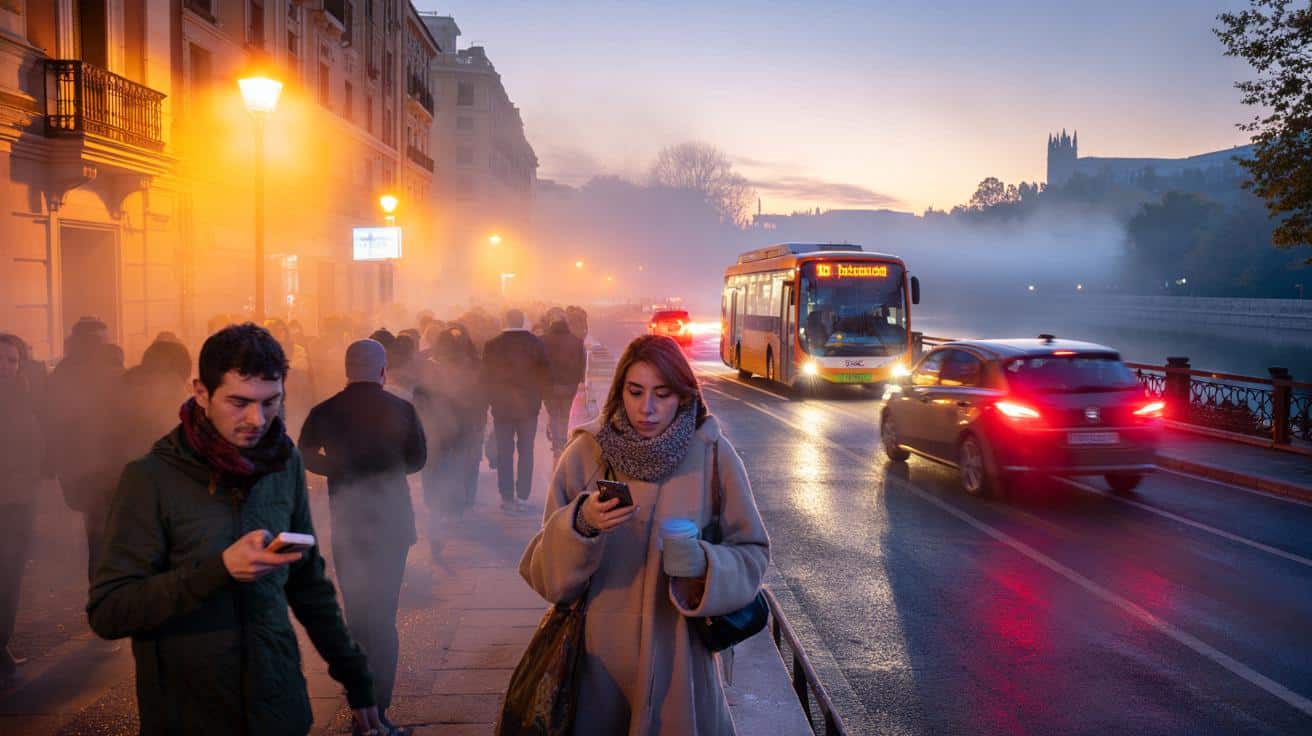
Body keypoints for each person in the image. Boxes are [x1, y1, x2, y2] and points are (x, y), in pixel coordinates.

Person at [87, 324, 388, 736]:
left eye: (271, 402)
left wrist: (356, 677)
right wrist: (219, 570)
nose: (256, 420)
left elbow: (308, 584)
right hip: (188, 714)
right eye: (238, 402)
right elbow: (110, 611)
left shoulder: (283, 464)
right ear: (201, 393)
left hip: (277, 704)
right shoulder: (150, 478)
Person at [519, 334, 770, 734]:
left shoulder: (713, 454)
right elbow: (544, 572)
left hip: (681, 667)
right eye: (635, 392)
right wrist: (581, 524)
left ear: (683, 396)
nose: (646, 408)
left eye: (662, 394)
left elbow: (752, 553)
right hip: (595, 665)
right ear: (620, 390)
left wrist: (704, 565)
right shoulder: (586, 454)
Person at [298, 339, 426, 730]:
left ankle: (360, 702)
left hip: (348, 524)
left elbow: (304, 454)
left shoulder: (325, 410)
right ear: (383, 371)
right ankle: (377, 712)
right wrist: (386, 468)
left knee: (355, 614)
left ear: (346, 370)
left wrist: (339, 468)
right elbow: (418, 460)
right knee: (383, 617)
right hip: (391, 524)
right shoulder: (401, 409)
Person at [46, 317, 124, 579]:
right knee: (104, 538)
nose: (103, 346)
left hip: (102, 467)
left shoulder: (64, 373)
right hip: (94, 469)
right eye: (98, 341)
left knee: (103, 537)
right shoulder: (72, 375)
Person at [420, 325, 487, 556]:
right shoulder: (469, 366)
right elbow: (478, 397)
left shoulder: (428, 366)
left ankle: (435, 513)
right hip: (462, 428)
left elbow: (420, 397)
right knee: (456, 468)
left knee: (432, 470)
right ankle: (452, 512)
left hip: (433, 429)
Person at [0, 334, 43, 685]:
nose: (4, 366)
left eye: (12, 360)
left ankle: (1, 644)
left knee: (11, 578)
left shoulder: (25, 399)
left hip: (18, 502)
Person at [481, 309, 548, 512]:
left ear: (505, 321)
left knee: (504, 452)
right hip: (529, 407)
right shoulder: (536, 344)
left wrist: (489, 401)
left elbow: (485, 377)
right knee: (526, 451)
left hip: (502, 407)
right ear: (522, 321)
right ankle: (524, 495)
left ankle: (507, 496)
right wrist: (538, 398)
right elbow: (545, 375)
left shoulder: (492, 345)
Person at [542, 315, 587, 462]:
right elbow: (582, 362)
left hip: (549, 385)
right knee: (565, 415)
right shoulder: (576, 341)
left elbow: (539, 363)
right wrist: (581, 380)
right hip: (569, 385)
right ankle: (563, 442)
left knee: (554, 415)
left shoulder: (543, 340)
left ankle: (557, 445)